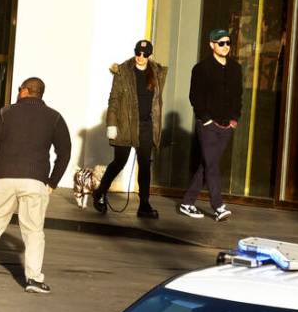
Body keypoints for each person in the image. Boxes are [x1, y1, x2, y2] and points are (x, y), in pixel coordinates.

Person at [0, 77, 71, 294]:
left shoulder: (4, 113)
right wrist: (52, 182)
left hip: (4, 178)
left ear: (26, 91)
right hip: (34, 180)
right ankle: (33, 279)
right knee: (33, 231)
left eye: (20, 89)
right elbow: (64, 152)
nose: (18, 92)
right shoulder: (54, 118)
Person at [92, 38, 166, 218]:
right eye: (138, 53)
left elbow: (156, 102)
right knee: (120, 162)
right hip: (125, 123)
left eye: (145, 54)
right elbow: (114, 100)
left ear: (150, 55)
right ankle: (100, 192)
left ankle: (144, 205)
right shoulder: (123, 71)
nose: (141, 57)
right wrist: (111, 124)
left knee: (145, 165)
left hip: (146, 125)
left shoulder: (156, 72)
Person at [179, 28, 243, 222]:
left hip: (226, 126)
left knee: (208, 164)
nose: (225, 47)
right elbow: (195, 97)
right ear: (211, 45)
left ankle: (187, 202)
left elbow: (238, 96)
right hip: (207, 124)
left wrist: (234, 119)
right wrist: (205, 118)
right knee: (212, 164)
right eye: (221, 43)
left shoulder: (235, 68)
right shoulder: (201, 68)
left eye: (228, 43)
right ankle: (218, 206)